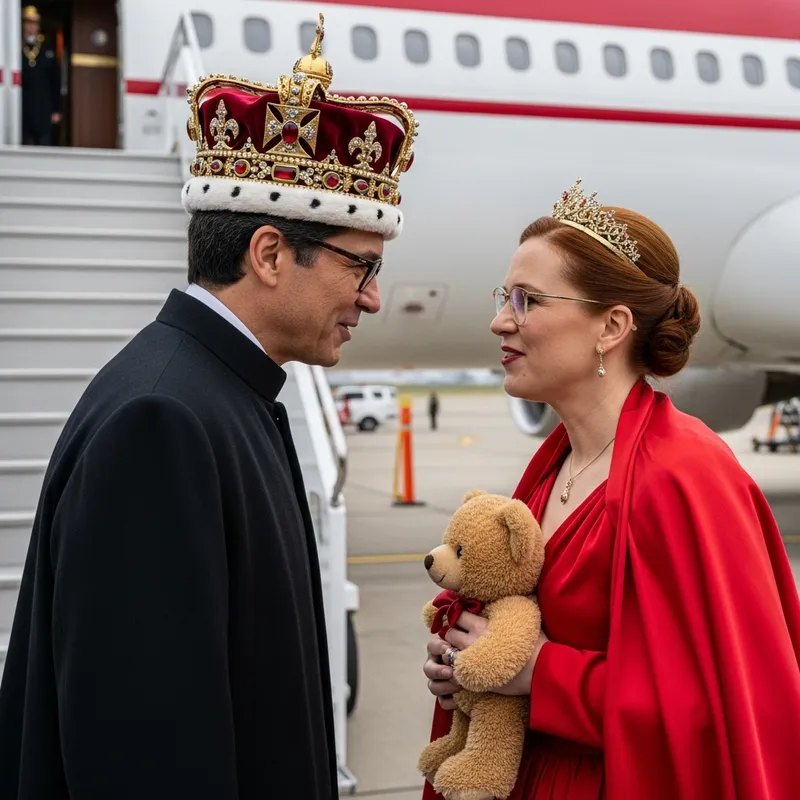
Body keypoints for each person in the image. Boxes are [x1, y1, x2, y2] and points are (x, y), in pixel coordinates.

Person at [0, 16, 418, 800]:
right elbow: (147, 754)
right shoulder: (163, 423)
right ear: (267, 255)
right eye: (359, 267)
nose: (372, 297)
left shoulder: (218, 392)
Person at [422, 179, 800, 799]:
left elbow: (720, 712)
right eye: (504, 296)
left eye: (527, 300)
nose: (500, 320)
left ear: (611, 326)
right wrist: (466, 668)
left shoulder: (686, 475)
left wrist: (542, 674)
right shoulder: (553, 465)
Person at [20, 6, 61, 146]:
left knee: (43, 144)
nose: (30, 26)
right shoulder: (16, 47)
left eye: (34, 23)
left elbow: (55, 81)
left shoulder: (47, 47)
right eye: (27, 22)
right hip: (23, 106)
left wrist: (56, 109)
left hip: (43, 108)